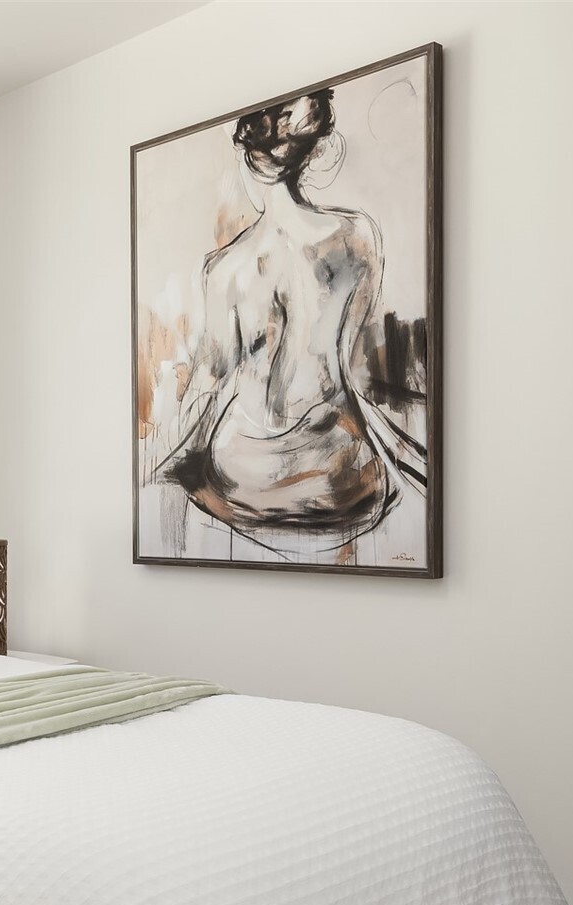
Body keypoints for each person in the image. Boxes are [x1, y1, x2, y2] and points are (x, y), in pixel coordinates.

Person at [162, 89, 400, 559]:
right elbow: (357, 372)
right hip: (333, 473)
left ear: (249, 160)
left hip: (242, 470)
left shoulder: (221, 270)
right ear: (308, 154)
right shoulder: (356, 237)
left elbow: (213, 381)